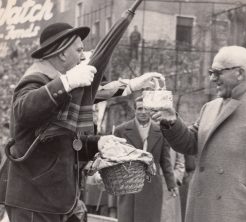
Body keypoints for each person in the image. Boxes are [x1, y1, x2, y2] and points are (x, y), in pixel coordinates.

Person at [0, 22, 165, 222]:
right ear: (62, 53)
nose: (82, 56)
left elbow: (64, 140)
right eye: (79, 50)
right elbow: (23, 110)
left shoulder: (55, 84)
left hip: (54, 200)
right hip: (35, 201)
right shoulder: (35, 80)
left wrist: (99, 143)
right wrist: (66, 82)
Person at [151, 46, 246, 222]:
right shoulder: (209, 108)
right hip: (203, 209)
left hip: (241, 213)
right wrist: (172, 120)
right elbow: (190, 143)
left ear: (240, 73)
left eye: (217, 73)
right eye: (211, 72)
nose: (212, 78)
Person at [114, 96, 177, 222]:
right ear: (134, 110)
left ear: (151, 110)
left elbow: (165, 160)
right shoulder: (121, 131)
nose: (143, 112)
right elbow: (114, 159)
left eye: (146, 108)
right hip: (129, 185)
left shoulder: (161, 131)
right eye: (140, 108)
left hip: (152, 186)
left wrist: (171, 183)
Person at [161, 150, 185, 222]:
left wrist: (172, 178)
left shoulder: (174, 140)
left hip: (169, 189)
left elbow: (180, 164)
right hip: (151, 186)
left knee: (169, 217)